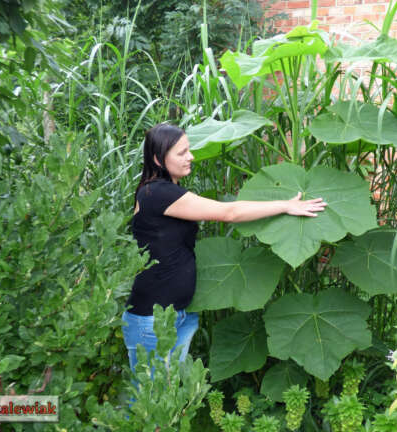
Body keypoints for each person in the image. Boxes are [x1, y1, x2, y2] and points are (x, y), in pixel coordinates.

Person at [122, 123, 327, 377]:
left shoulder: (162, 191)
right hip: (153, 322)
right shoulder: (157, 193)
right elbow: (228, 212)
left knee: (169, 393)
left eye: (189, 149)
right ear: (157, 158)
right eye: (182, 153)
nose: (191, 157)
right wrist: (285, 205)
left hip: (177, 315)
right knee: (152, 397)